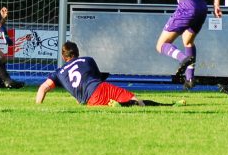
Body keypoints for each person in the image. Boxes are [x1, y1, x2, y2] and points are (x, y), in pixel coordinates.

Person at [36, 41, 185, 107]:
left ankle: (116, 105)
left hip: (89, 102)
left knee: (122, 104)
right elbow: (97, 78)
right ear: (77, 53)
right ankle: (170, 105)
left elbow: (42, 88)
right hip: (99, 89)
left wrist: (38, 106)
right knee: (136, 100)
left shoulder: (58, 72)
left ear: (64, 57)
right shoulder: (87, 60)